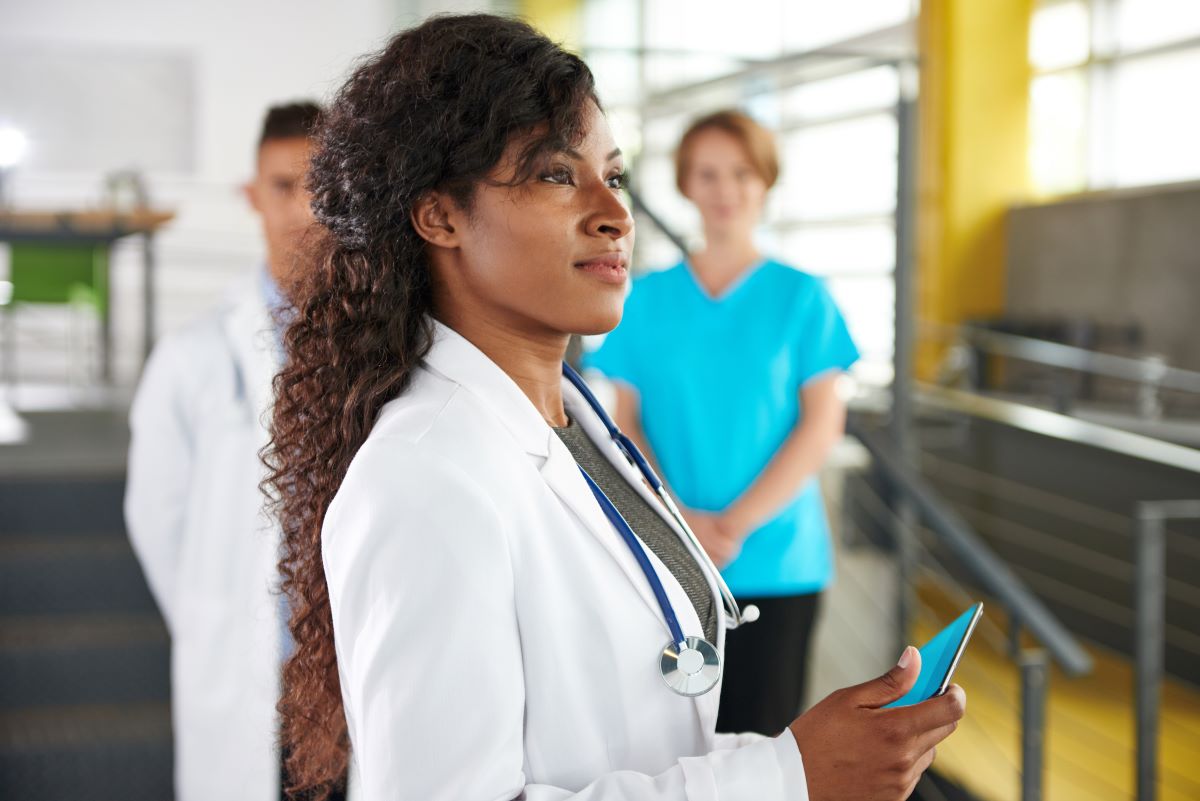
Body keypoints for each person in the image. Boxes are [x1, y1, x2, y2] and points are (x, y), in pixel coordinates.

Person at [265, 15, 963, 801]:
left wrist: (812, 753)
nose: (615, 213)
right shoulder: (425, 477)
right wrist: (786, 776)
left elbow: (631, 730)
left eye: (616, 176)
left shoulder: (575, 426)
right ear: (440, 215)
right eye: (558, 175)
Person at [584, 109, 859, 736]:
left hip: (776, 563)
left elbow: (821, 427)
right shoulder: (644, 298)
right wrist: (683, 524)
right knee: (671, 745)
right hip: (668, 560)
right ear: (685, 184)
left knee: (762, 745)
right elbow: (626, 428)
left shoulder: (802, 297)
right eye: (707, 173)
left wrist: (730, 526)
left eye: (740, 172)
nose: (724, 189)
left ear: (765, 180)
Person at [125, 102, 329, 801]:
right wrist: (224, 623)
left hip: (358, 678)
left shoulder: (394, 344)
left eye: (322, 184)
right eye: (282, 185)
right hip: (255, 672)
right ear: (252, 195)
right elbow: (159, 519)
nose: (304, 207)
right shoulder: (193, 354)